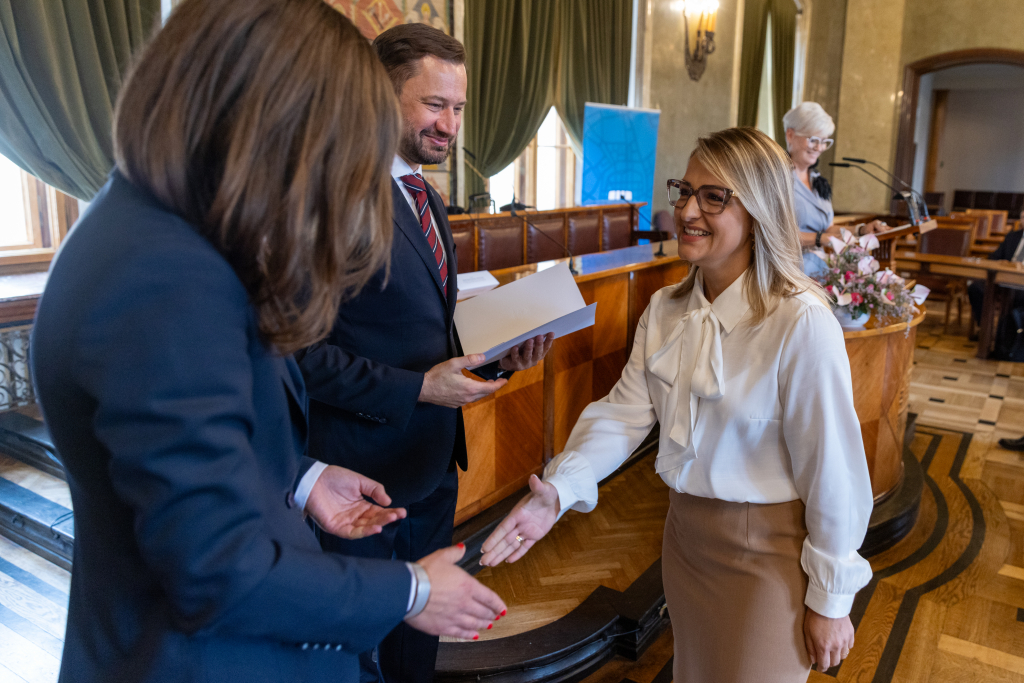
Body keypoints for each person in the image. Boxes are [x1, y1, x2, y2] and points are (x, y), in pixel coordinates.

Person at [31, 3, 504, 682]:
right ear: (274, 121)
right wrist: (413, 590)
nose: (342, 179)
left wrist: (302, 478)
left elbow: (195, 447)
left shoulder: (167, 232)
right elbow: (215, 568)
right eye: (340, 144)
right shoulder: (163, 274)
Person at [481, 128, 874, 682]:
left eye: (714, 197)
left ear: (758, 211)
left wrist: (831, 598)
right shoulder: (666, 308)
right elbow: (623, 414)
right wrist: (560, 491)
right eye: (685, 191)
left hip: (769, 557)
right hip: (685, 542)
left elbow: (832, 468)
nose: (687, 211)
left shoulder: (800, 321)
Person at [295, 23, 552, 683]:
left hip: (434, 467)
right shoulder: (332, 196)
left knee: (417, 654)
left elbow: (429, 336)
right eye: (435, 104)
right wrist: (417, 390)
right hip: (358, 481)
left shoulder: (426, 196)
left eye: (458, 107)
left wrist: (499, 358)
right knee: (356, 656)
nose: (450, 125)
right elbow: (298, 357)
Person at [783, 102, 886, 277]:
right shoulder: (776, 178)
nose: (820, 148)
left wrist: (862, 230)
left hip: (818, 268)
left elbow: (827, 229)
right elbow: (773, 233)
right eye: (813, 140)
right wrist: (818, 239)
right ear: (790, 135)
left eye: (824, 141)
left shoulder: (818, 182)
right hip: (788, 270)